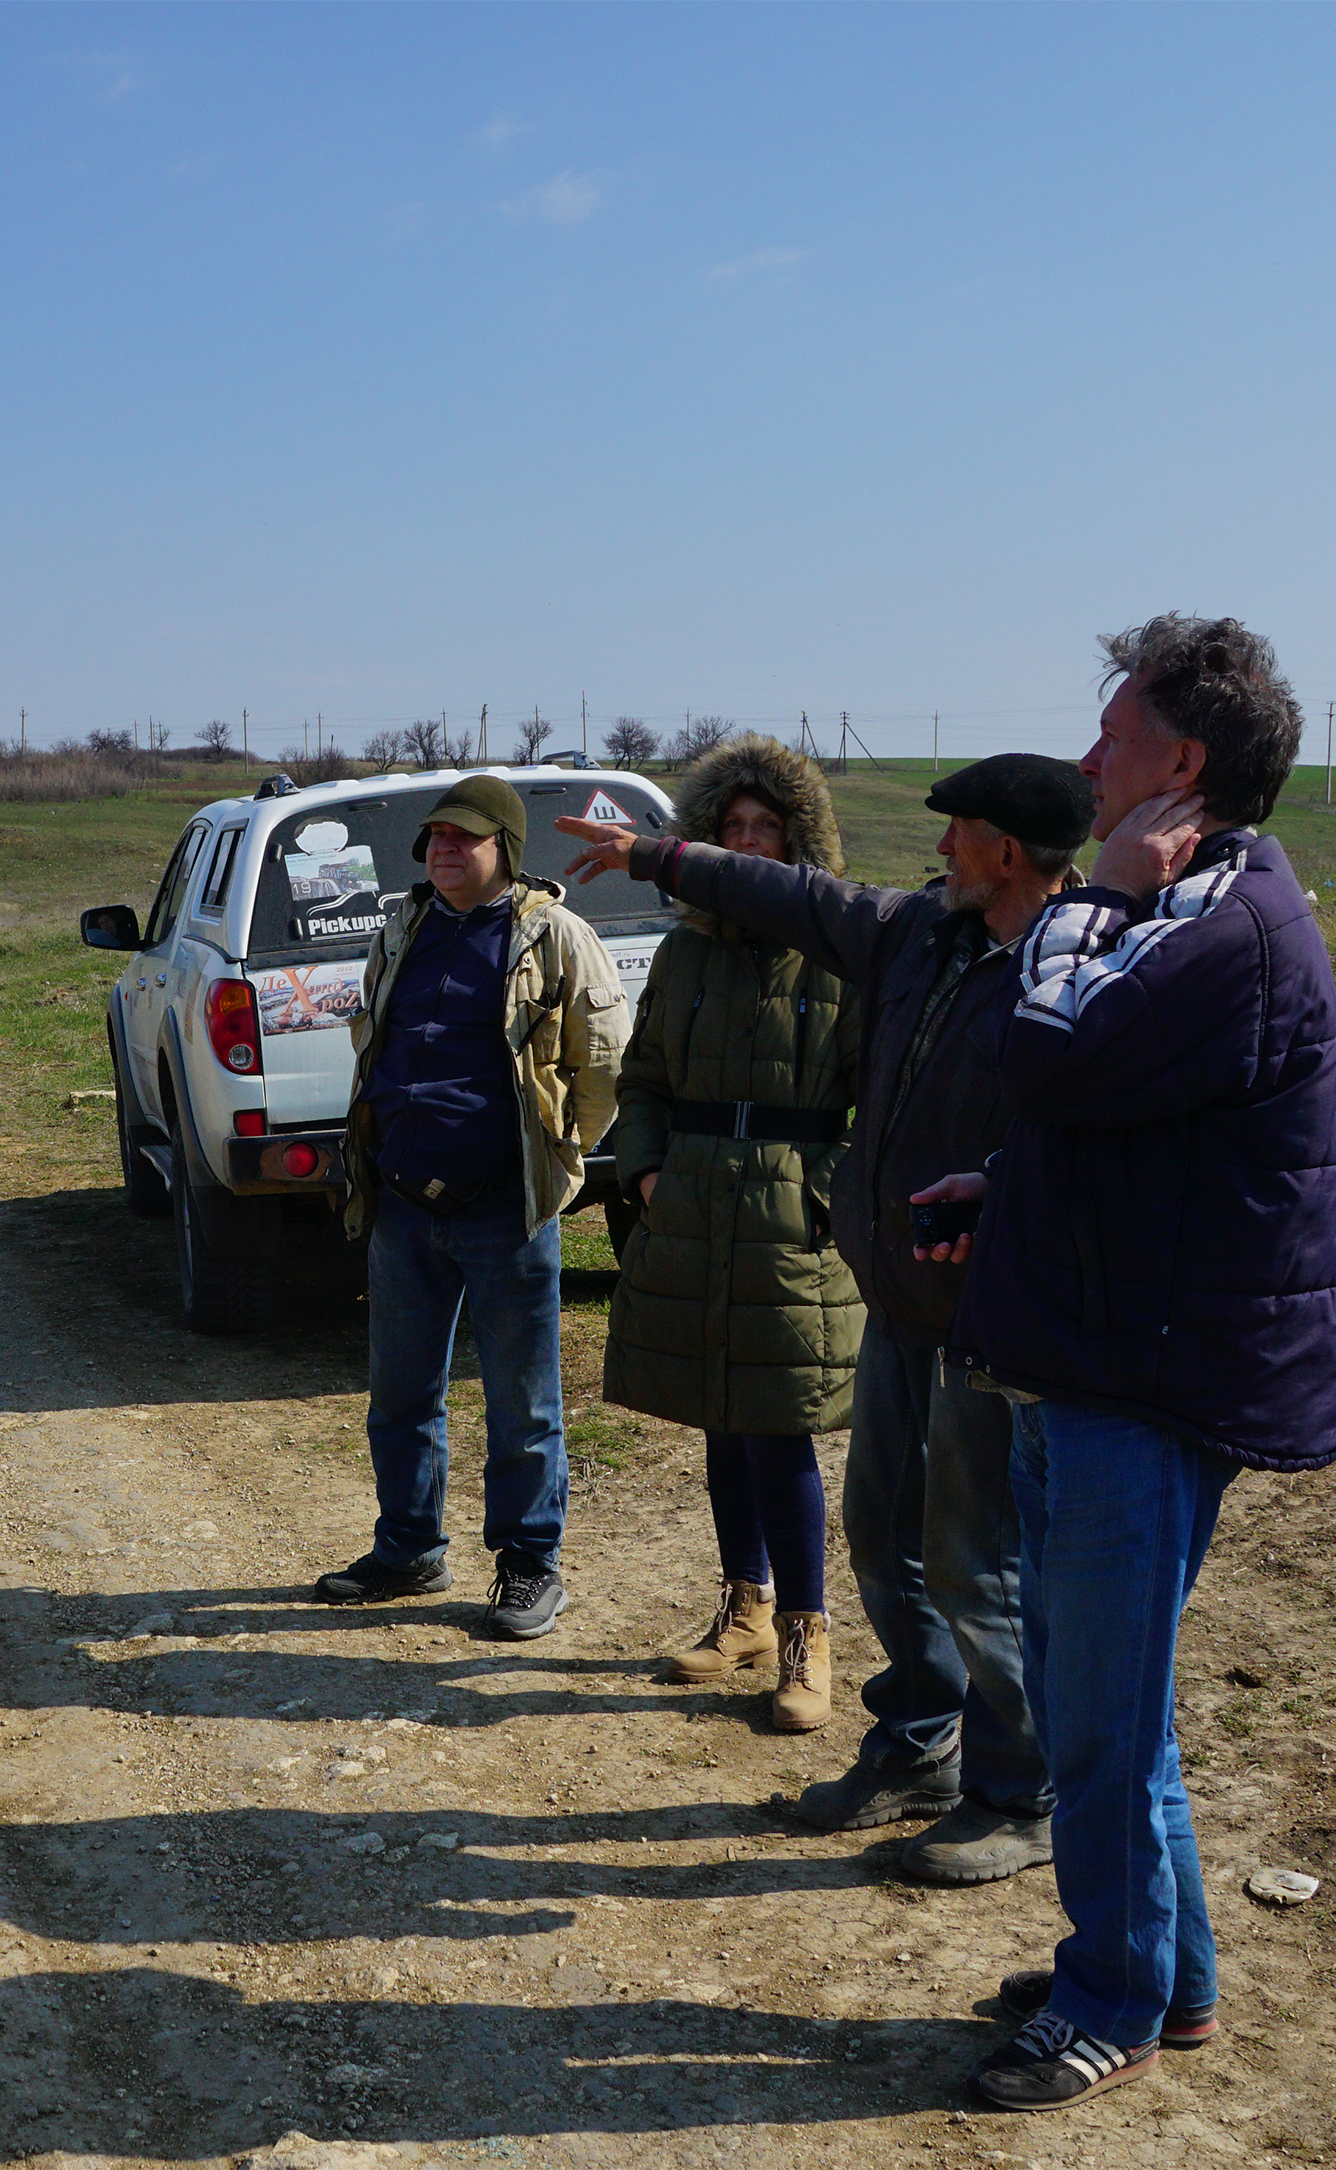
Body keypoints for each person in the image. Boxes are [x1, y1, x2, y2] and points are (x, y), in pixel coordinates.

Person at [927, 616, 1336, 2113]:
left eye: (1111, 733)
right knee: (1111, 1699)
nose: (1087, 758)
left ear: (1179, 762)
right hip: (1103, 1351)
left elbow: (1042, 1053)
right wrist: (1013, 1196)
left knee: (1100, 1715)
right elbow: (1115, 1119)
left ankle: (1105, 1996)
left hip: (1145, 1386)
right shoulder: (1201, 910)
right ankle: (1164, 1974)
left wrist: (1090, 897)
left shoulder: (1214, 924)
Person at [557, 750, 1091, 1884]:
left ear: (1009, 850)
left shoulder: (1070, 959)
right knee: (886, 1535)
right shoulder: (918, 932)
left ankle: (1017, 1789)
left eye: (960, 831)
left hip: (990, 1307)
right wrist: (653, 853)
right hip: (900, 1289)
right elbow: (783, 900)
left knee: (974, 1552)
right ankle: (914, 1747)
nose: (937, 846)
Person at [315, 773, 630, 1641]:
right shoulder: (403, 928)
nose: (445, 851)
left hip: (506, 1212)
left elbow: (601, 1067)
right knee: (400, 1395)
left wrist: (559, 1160)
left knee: (524, 1405)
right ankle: (409, 1547)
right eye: (436, 840)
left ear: (504, 849)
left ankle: (529, 1566)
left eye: (465, 838)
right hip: (404, 1204)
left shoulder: (553, 936)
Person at [598, 736, 864, 1733]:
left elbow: (875, 1098)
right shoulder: (685, 951)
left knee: (776, 1420)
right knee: (718, 1411)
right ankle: (742, 1610)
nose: (747, 845)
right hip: (696, 1198)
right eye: (732, 828)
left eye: (767, 830)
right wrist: (651, 1167)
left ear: (799, 843)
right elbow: (642, 1077)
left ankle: (806, 1634)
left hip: (790, 1211)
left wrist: (824, 1197)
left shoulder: (840, 955)